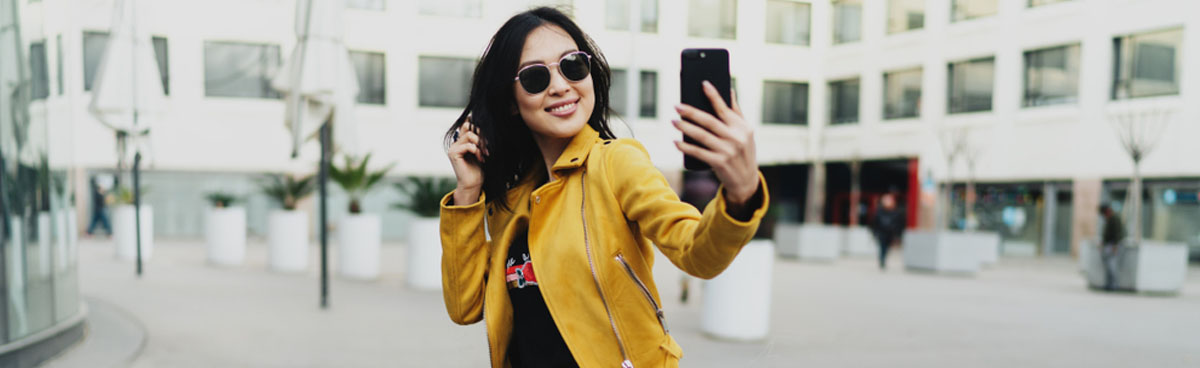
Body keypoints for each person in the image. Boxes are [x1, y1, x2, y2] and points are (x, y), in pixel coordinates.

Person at [439, 7, 768, 367]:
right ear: (510, 103)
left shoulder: (616, 164)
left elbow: (697, 253)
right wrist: (468, 191)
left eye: (573, 66)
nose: (561, 86)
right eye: (535, 77)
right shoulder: (512, 202)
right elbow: (465, 306)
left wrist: (741, 194)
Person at [870, 193, 904, 270]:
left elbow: (899, 224)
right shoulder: (879, 211)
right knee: (882, 246)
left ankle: (883, 258)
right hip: (881, 233)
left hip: (890, 233)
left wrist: (898, 235)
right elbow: (874, 223)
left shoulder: (896, 212)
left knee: (887, 247)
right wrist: (874, 233)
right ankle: (882, 260)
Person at [1099, 204, 1126, 291]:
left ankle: (1114, 285)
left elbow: (1117, 233)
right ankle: (1108, 284)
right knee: (1108, 265)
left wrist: (1115, 245)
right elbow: (1107, 233)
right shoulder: (1108, 218)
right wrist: (1103, 243)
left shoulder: (1114, 218)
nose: (1104, 215)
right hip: (1108, 245)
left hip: (1113, 245)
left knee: (1112, 266)